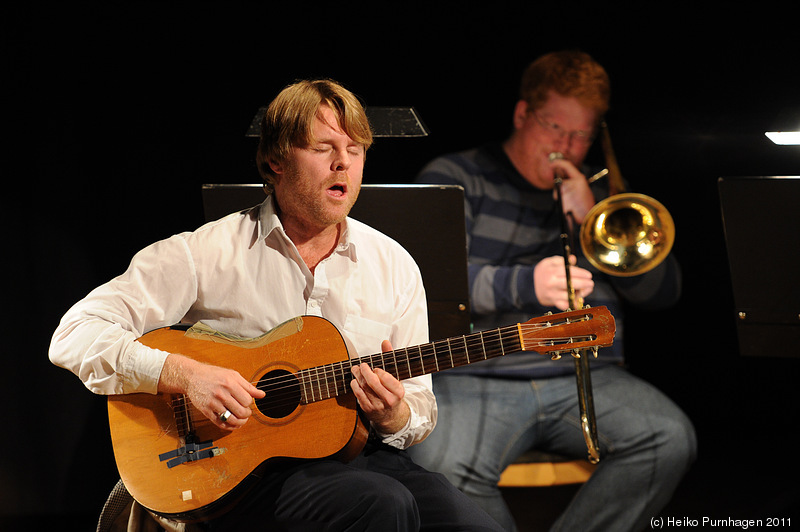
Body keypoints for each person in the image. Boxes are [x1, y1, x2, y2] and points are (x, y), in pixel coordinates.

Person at [49, 79, 503, 531]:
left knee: (472, 525)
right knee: (380, 504)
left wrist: (395, 413)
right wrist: (188, 375)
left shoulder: (393, 263)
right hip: (239, 469)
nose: (343, 162)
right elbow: (74, 333)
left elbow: (419, 406)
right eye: (324, 147)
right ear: (276, 160)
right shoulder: (207, 252)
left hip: (358, 454)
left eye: (355, 149)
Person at [405, 51, 697, 531]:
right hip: (478, 375)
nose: (568, 146)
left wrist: (591, 216)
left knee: (671, 438)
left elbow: (664, 293)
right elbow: (425, 285)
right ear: (523, 115)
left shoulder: (603, 200)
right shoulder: (458, 177)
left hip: (587, 376)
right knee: (437, 465)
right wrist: (524, 282)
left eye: (582, 135)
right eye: (555, 128)